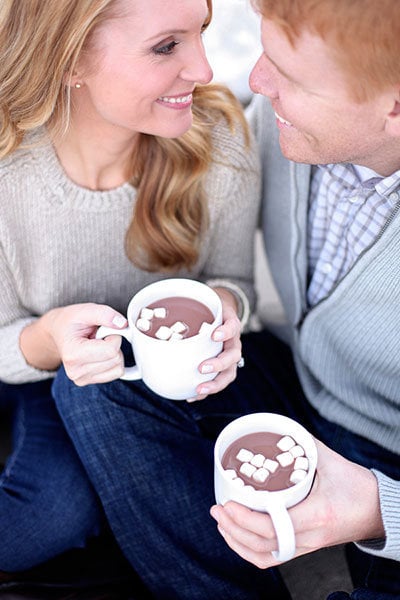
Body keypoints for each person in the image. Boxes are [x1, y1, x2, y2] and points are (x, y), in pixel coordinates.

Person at [54, 0, 400, 598]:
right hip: (296, 379)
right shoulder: (285, 119)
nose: (254, 79)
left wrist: (379, 510)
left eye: (288, 75)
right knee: (99, 383)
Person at [0, 0, 268, 593]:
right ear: (71, 60)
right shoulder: (8, 172)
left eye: (202, 32)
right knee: (38, 525)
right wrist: (50, 337)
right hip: (41, 369)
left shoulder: (217, 137)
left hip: (164, 379)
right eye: (166, 46)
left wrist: (226, 310)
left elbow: (237, 285)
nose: (203, 69)